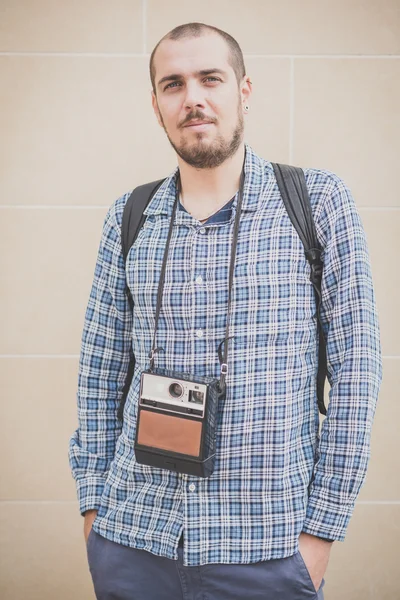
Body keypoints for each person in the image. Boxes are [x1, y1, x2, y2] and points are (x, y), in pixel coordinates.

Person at [68, 22, 382, 600]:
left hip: (266, 549)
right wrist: (94, 510)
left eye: (210, 78)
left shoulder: (317, 204)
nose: (193, 97)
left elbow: (358, 376)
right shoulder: (129, 217)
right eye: (173, 84)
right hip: (135, 540)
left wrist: (319, 536)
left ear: (244, 90)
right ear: (156, 105)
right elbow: (99, 373)